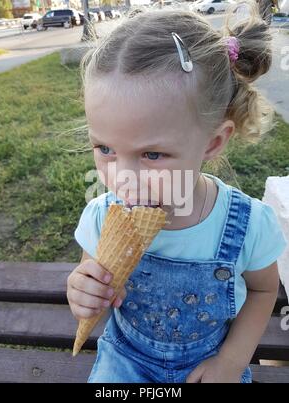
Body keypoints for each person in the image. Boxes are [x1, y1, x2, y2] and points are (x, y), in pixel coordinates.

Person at [67, 0, 287, 383]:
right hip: (126, 360)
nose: (123, 179)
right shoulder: (102, 217)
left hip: (213, 362)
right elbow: (92, 282)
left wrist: (231, 362)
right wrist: (82, 292)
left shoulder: (249, 224)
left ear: (213, 143)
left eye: (152, 154)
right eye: (104, 149)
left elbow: (263, 292)